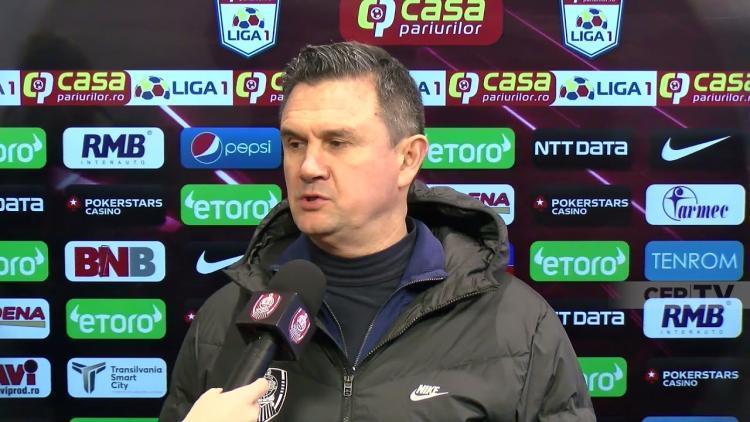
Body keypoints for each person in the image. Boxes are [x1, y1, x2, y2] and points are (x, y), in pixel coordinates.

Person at [160, 41, 595, 422]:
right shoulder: (224, 319)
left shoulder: (518, 324)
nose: (308, 167)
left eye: (337, 142)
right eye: (295, 143)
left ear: (408, 159)